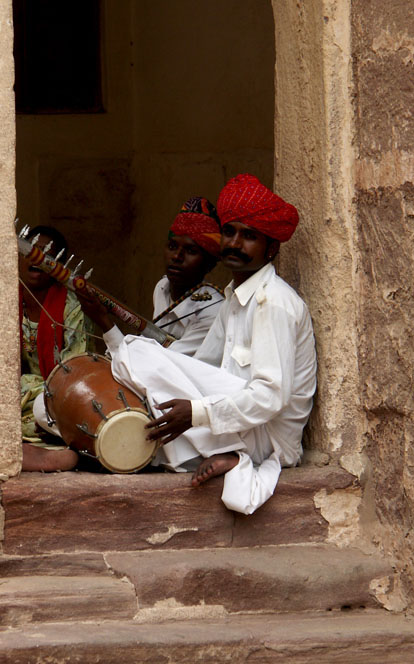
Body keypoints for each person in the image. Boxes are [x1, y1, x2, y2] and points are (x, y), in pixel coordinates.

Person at [78, 174, 316, 514]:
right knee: (148, 385)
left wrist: (197, 413)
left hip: (269, 438)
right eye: (230, 232)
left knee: (146, 355)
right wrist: (112, 333)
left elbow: (271, 396)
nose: (235, 243)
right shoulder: (235, 298)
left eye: (249, 236)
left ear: (272, 248)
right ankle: (227, 454)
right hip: (240, 426)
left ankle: (237, 457)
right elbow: (195, 366)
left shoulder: (272, 303)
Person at [19, 224, 88, 471]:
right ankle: (38, 451)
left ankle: (44, 451)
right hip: (14, 396)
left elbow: (75, 372)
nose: (38, 259)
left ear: (58, 265)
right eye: (32, 250)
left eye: (48, 255)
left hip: (53, 396)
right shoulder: (4, 297)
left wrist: (32, 389)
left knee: (67, 412)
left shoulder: (70, 307)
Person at [154, 196, 224, 355]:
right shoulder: (162, 288)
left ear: (210, 264)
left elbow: (167, 362)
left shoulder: (212, 310)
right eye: (172, 246)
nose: (176, 256)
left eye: (191, 251)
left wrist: (107, 325)